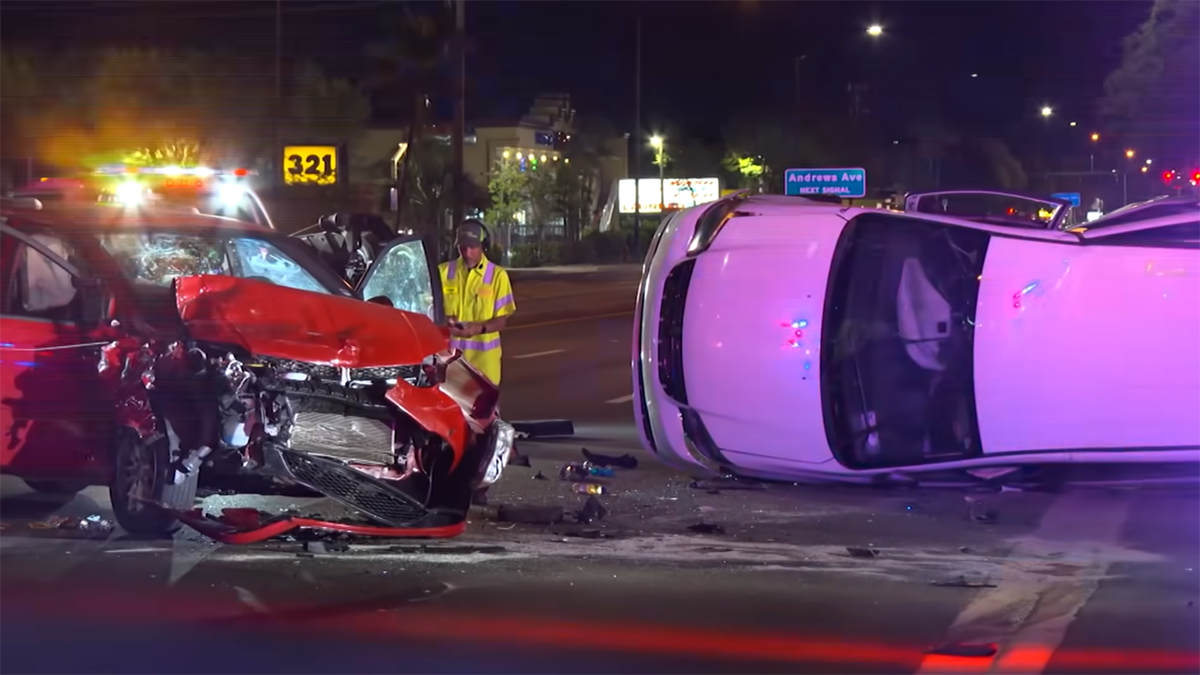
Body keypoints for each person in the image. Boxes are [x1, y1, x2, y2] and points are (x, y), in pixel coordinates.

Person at [438, 219, 516, 385]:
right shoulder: (442, 273)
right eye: (463, 246)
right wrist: (446, 321)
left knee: (486, 411)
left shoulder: (497, 276)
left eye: (472, 246)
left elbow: (502, 321)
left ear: (484, 246)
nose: (467, 251)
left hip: (485, 367)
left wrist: (479, 328)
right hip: (450, 365)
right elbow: (428, 310)